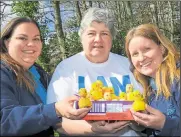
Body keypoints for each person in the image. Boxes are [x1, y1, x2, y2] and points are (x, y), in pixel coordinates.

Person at [47, 7, 144, 136]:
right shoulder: (66, 69)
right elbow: (57, 122)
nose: (98, 39)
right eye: (91, 33)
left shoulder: (128, 64)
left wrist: (135, 122)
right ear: (82, 37)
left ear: (112, 38)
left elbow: (144, 109)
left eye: (104, 33)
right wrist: (92, 129)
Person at [0, 17, 91, 137]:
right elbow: (5, 120)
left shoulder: (39, 73)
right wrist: (55, 110)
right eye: (22, 38)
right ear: (7, 42)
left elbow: (55, 118)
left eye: (36, 39)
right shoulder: (3, 72)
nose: (31, 44)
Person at [125, 24, 180, 136]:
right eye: (135, 54)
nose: (141, 58)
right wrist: (139, 123)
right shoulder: (148, 87)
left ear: (162, 48)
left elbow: (166, 124)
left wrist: (164, 124)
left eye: (147, 49)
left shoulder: (178, 79)